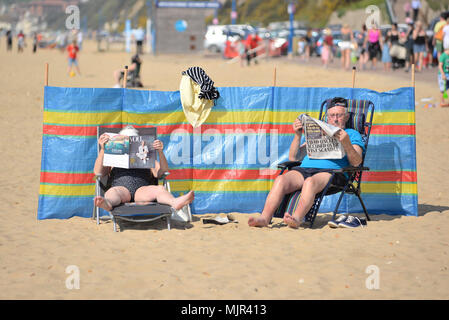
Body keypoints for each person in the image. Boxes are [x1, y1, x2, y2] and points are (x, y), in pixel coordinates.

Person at [248, 97, 365, 229]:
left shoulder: (352, 134)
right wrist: (297, 135)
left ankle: (297, 219)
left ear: (347, 117)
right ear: (327, 117)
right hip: (305, 169)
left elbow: (356, 162)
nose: (335, 119)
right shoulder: (319, 131)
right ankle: (265, 218)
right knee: (281, 179)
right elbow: (293, 158)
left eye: (339, 115)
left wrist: (346, 142)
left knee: (310, 182)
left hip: (332, 172)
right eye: (332, 115)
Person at [93, 126, 195, 211]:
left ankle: (174, 202)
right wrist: (103, 150)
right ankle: (107, 203)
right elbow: (98, 172)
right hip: (121, 189)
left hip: (142, 190)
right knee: (112, 192)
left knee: (159, 189)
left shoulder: (148, 155)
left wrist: (160, 152)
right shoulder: (113, 157)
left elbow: (162, 172)